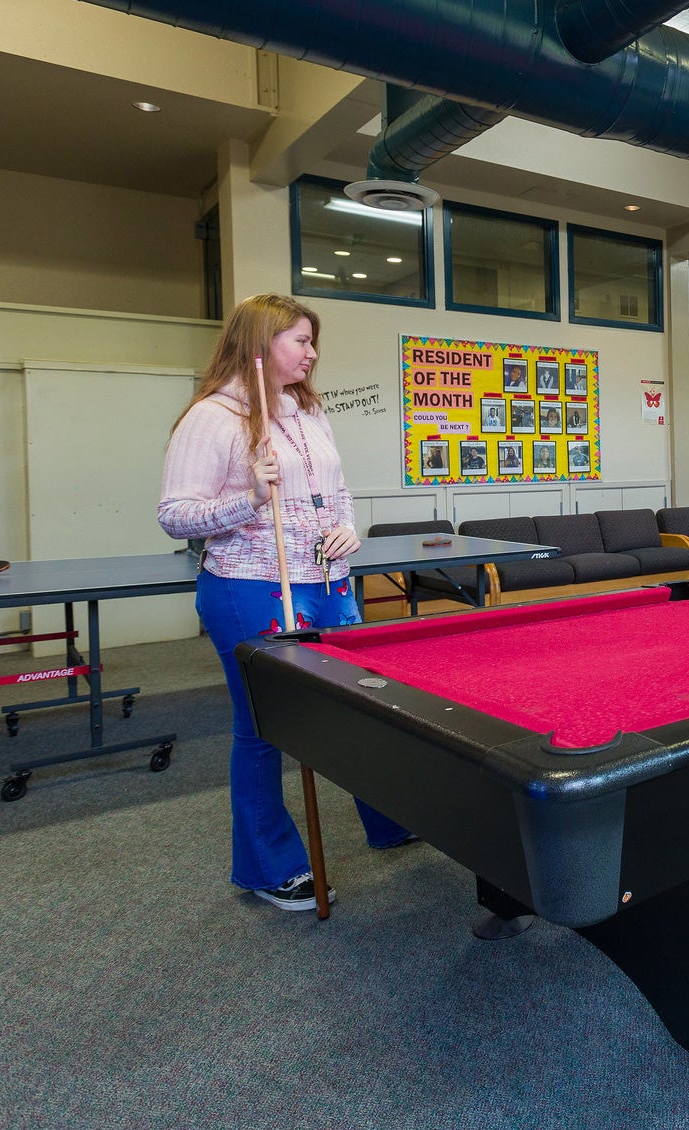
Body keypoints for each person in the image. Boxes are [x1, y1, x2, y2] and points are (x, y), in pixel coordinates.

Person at [159, 293, 413, 912]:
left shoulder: (307, 409)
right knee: (263, 731)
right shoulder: (213, 418)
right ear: (259, 347)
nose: (312, 352)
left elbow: (340, 490)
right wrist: (248, 497)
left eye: (311, 340)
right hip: (250, 588)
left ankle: (388, 822)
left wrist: (348, 528)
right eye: (299, 340)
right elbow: (174, 516)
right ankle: (270, 867)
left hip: (328, 581)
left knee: (366, 710)